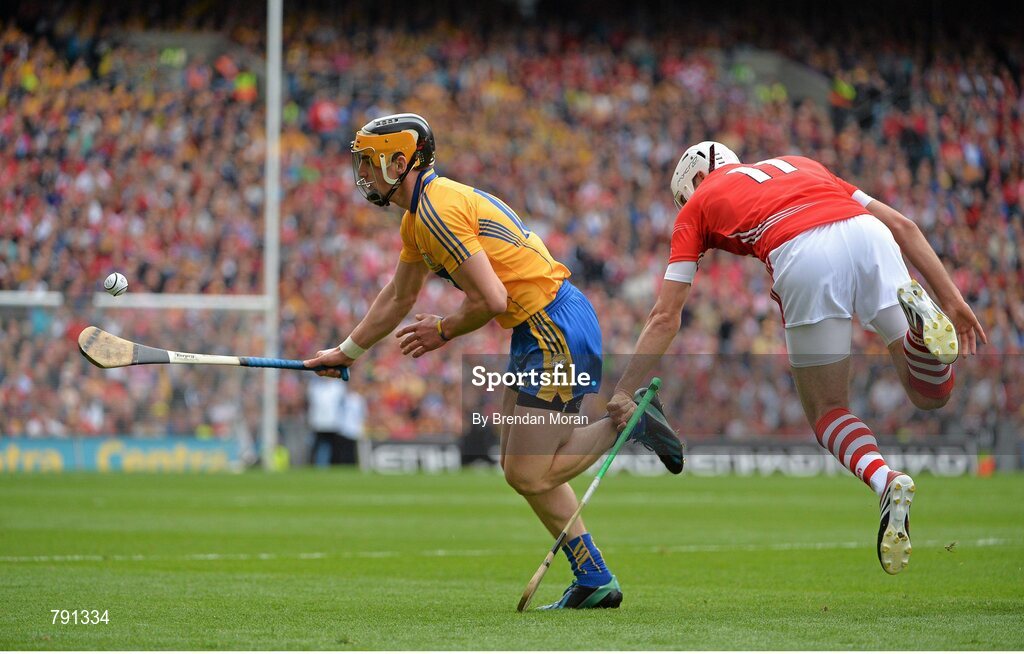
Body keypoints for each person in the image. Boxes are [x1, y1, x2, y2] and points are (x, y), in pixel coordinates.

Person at [304, 113, 682, 609]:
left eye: (369, 164)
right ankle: (594, 578)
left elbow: (491, 298)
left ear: (401, 161)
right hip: (539, 328)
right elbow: (398, 297)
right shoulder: (418, 218)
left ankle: (628, 421)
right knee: (519, 468)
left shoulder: (437, 210)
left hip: (552, 326)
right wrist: (345, 351)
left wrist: (442, 331)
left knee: (529, 472)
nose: (363, 176)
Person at [608, 142, 987, 575]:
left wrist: (621, 390)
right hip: (869, 234)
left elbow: (664, 317)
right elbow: (903, 225)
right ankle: (919, 340)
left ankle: (884, 477)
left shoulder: (696, 208)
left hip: (802, 250)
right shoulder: (801, 162)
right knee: (930, 395)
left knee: (827, 410)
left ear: (695, 178)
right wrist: (952, 300)